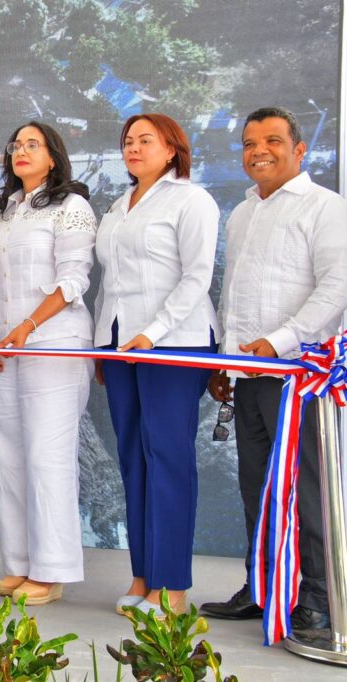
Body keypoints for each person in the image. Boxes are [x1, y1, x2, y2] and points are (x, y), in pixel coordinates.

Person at [201, 107, 347, 632]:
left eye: (272, 140)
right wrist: (226, 360)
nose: (258, 151)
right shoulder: (242, 213)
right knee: (258, 488)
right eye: (249, 143)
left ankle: (319, 600)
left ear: (299, 149)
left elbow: (337, 288)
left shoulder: (325, 207)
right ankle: (263, 588)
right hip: (247, 375)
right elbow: (234, 292)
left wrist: (279, 342)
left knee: (306, 491)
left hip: (299, 376)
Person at [93, 113, 219, 615]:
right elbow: (110, 284)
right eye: (128, 140)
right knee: (133, 457)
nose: (134, 147)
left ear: (172, 149)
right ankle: (143, 575)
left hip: (175, 343)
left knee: (167, 457)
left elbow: (197, 276)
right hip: (120, 346)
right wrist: (104, 343)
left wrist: (154, 331)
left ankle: (172, 587)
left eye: (146, 140)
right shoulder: (117, 206)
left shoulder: (192, 199)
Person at [0, 122, 96, 605]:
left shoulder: (71, 206)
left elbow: (74, 279)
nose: (21, 151)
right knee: (7, 454)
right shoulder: (0, 212)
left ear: (52, 156)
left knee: (47, 455)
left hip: (54, 343)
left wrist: (28, 325)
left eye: (33, 145)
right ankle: (20, 562)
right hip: (2, 347)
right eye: (16, 145)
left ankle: (51, 570)